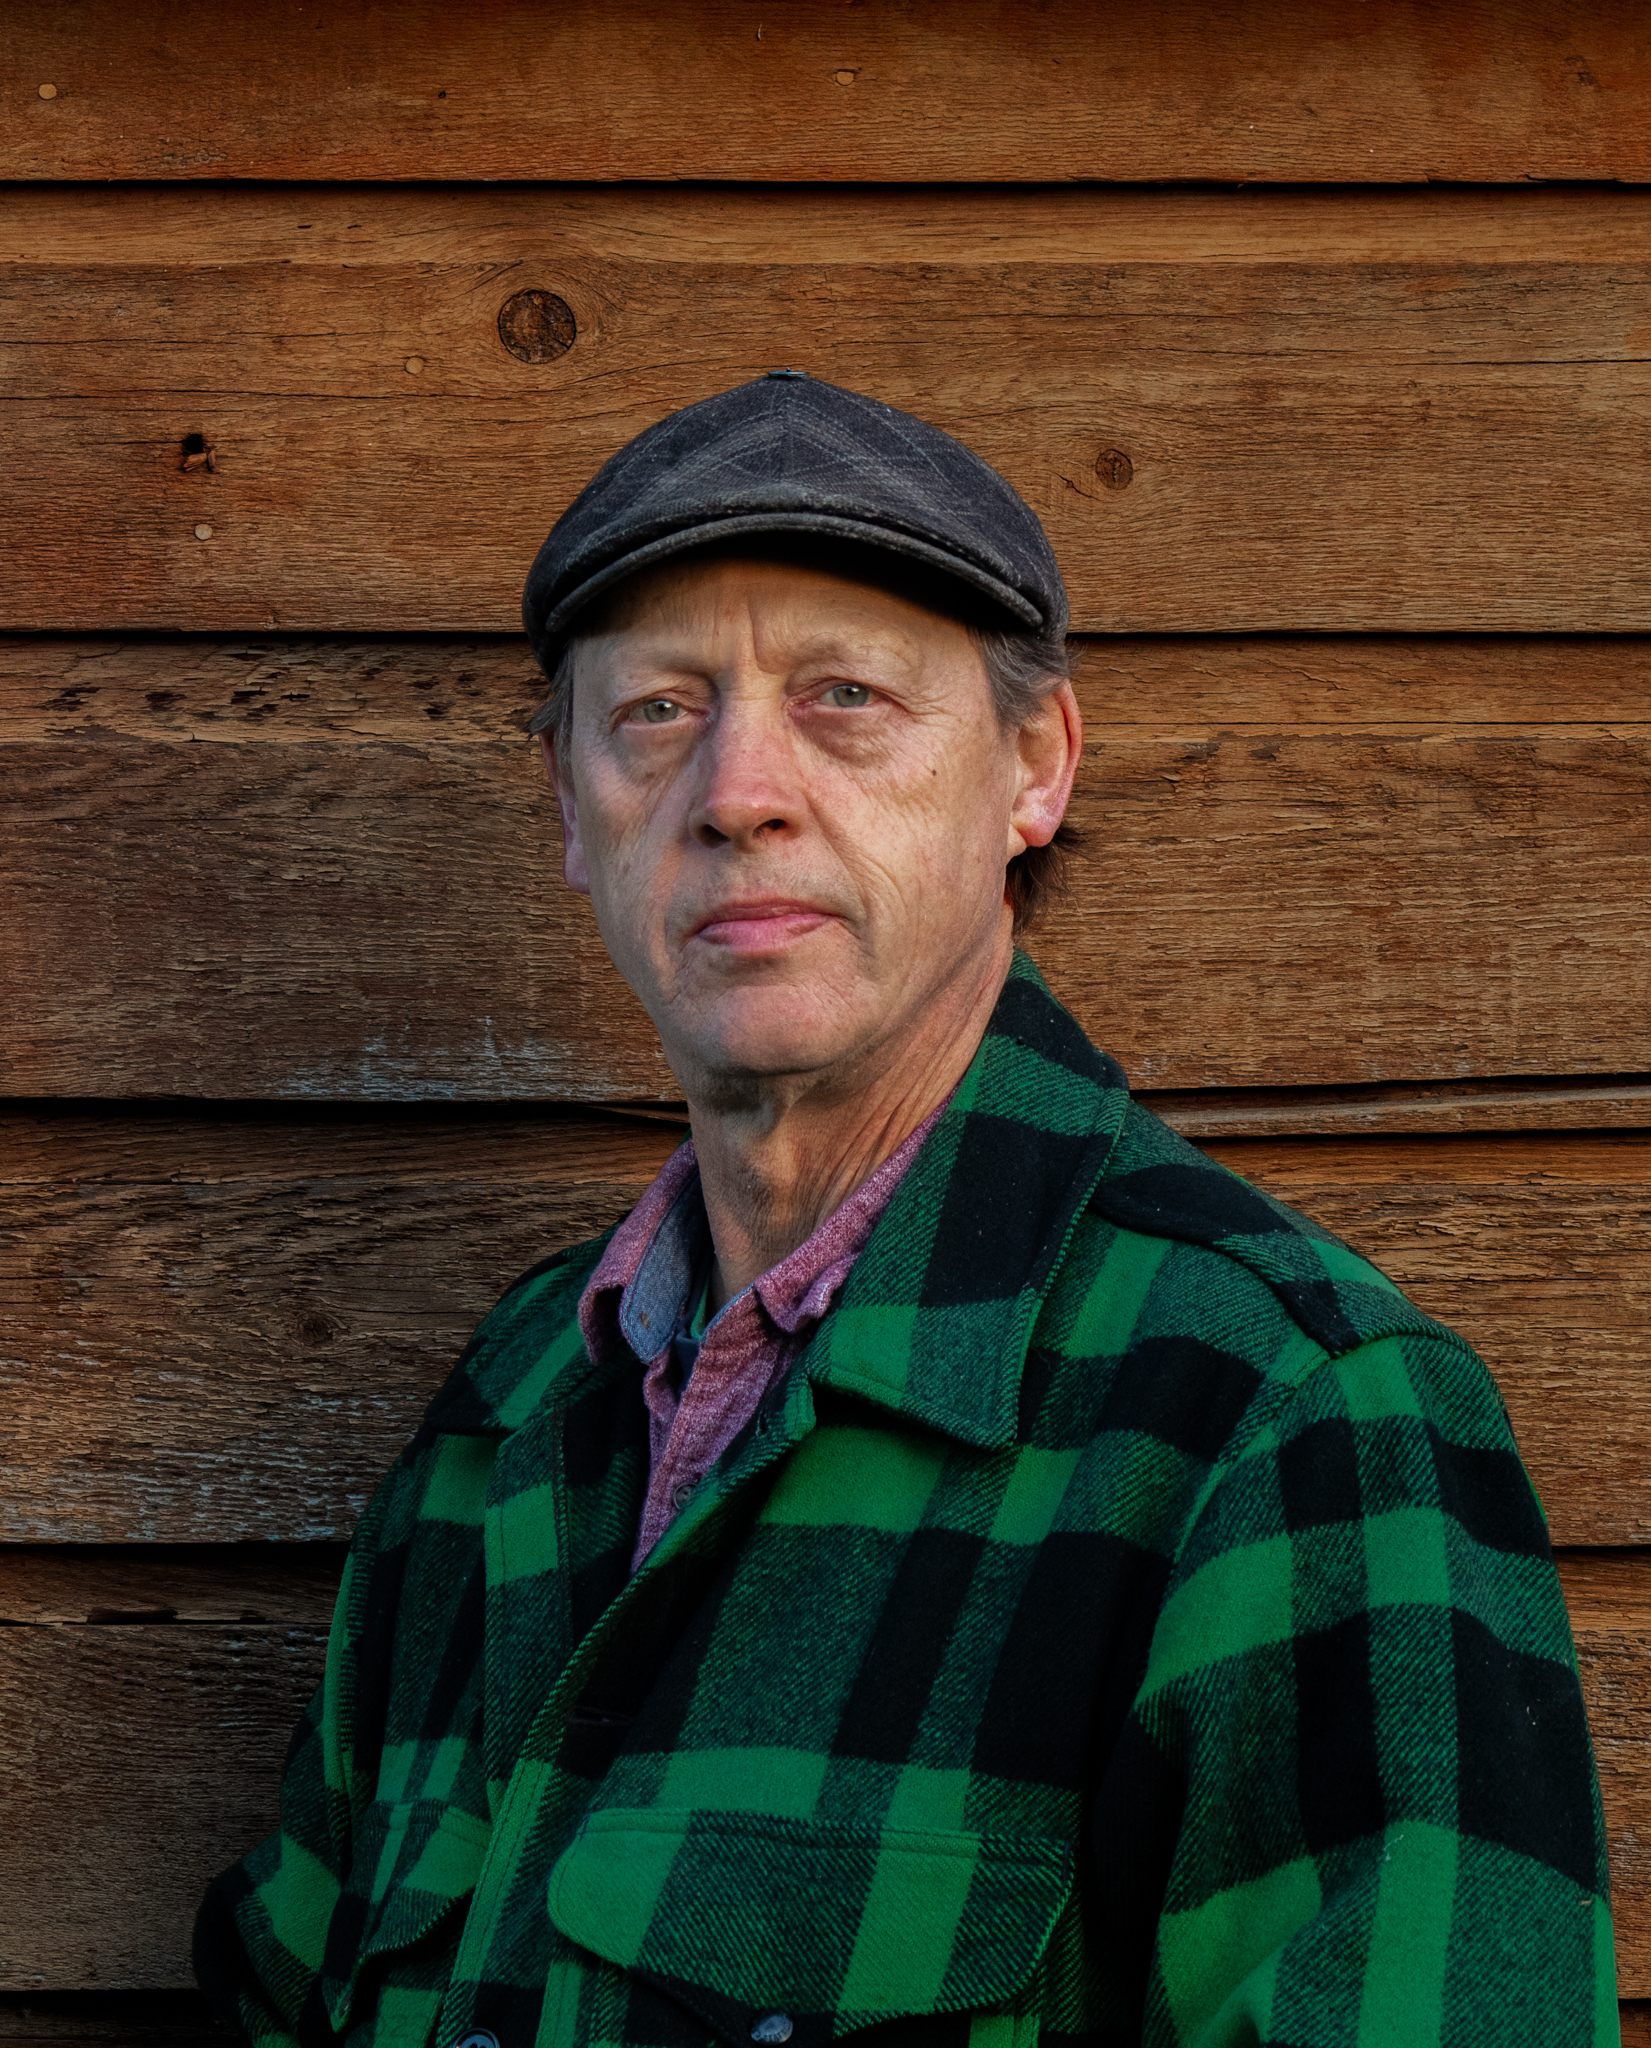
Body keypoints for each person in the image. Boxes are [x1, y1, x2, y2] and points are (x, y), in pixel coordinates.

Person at [196, 374, 1615, 2048]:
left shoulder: (1290, 1418)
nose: (738, 789)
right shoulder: (507, 1412)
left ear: (1034, 768)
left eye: (847, 697)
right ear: (571, 809)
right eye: (656, 708)